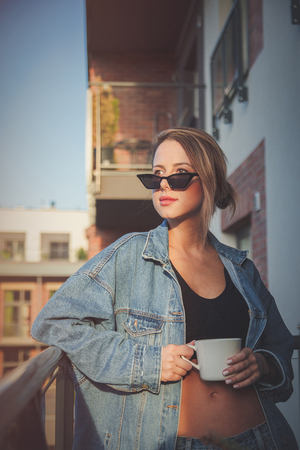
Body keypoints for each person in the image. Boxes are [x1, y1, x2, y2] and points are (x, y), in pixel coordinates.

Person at [31, 127, 298, 450]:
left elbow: (280, 345)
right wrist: (149, 362)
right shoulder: (128, 255)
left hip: (260, 438)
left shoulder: (241, 269)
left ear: (209, 179)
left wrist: (264, 364)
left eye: (180, 175)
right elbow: (52, 323)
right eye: (157, 176)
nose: (165, 186)